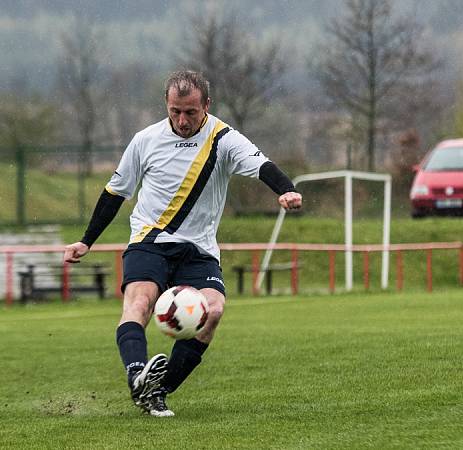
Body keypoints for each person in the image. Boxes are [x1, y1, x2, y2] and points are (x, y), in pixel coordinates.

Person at [63, 70, 302, 417]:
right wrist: (87, 241)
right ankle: (135, 375)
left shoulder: (223, 139)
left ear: (206, 105)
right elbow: (116, 191)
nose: (182, 119)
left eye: (190, 111)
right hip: (150, 239)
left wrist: (286, 189)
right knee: (139, 303)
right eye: (175, 110)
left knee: (214, 311)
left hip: (199, 249)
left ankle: (157, 390)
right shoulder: (145, 139)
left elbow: (262, 165)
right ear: (166, 104)